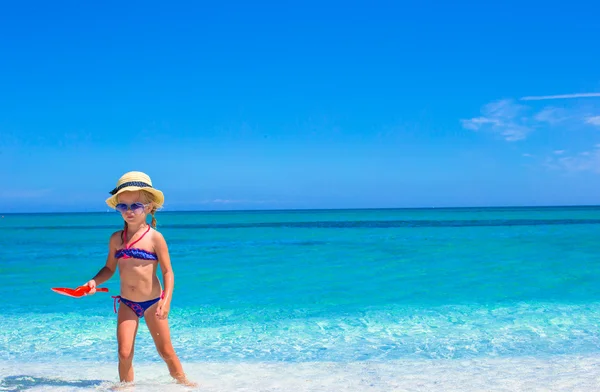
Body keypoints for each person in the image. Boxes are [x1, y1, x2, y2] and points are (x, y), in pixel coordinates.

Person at [84, 171, 195, 387]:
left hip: (153, 303)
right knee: (124, 353)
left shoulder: (155, 238)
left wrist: (166, 300)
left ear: (149, 207)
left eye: (135, 205)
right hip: (127, 303)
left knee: (166, 351)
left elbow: (167, 272)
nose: (129, 211)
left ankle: (184, 385)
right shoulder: (117, 239)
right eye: (122, 206)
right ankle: (126, 388)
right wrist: (94, 282)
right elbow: (109, 268)